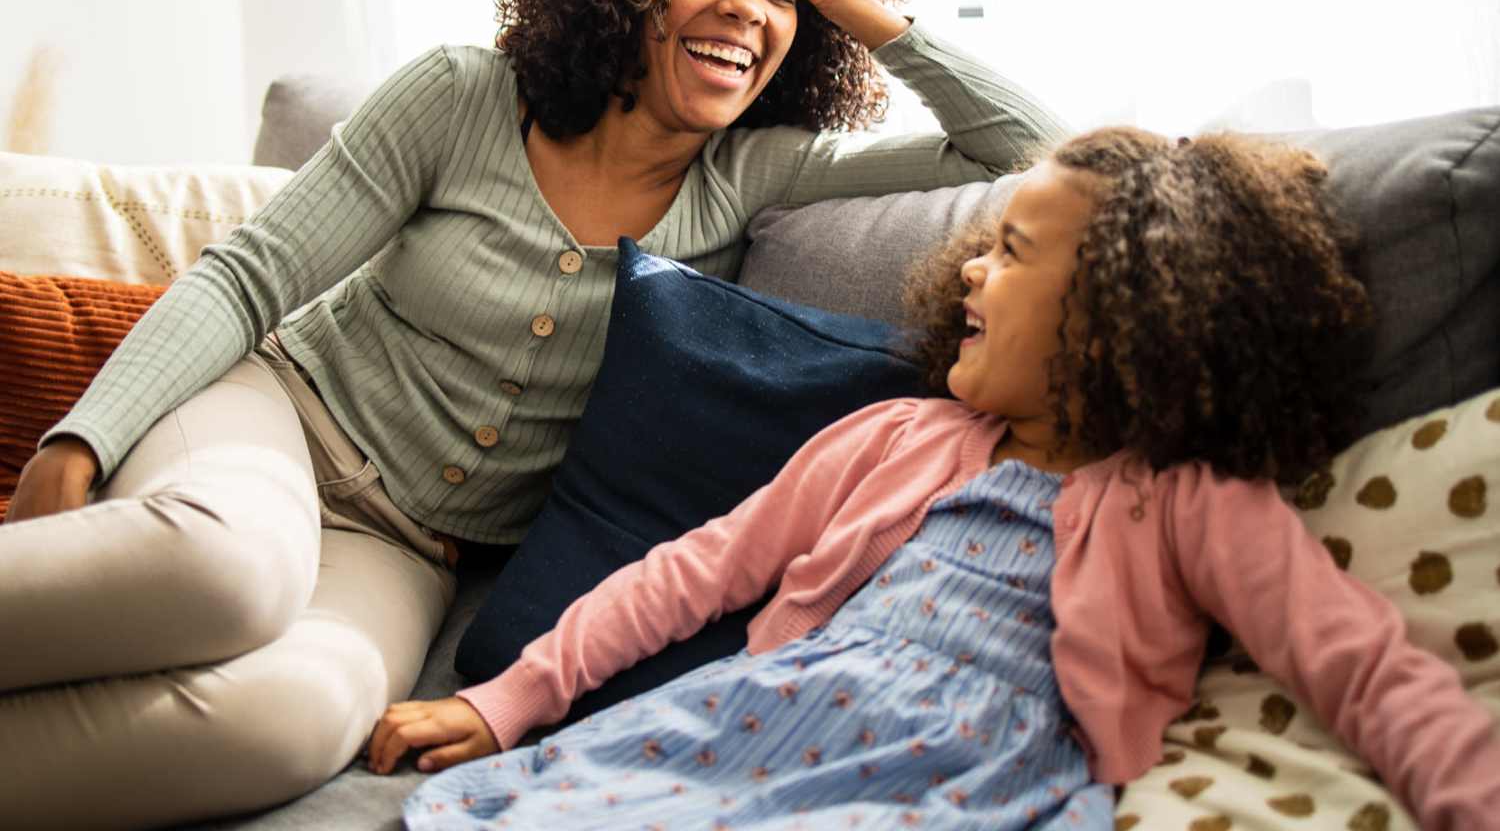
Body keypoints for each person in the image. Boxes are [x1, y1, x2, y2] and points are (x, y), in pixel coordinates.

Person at [0, 0, 1066, 830]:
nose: (747, 9)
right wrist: (84, 437)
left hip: (408, 548)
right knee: (228, 573)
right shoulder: (462, 97)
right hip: (280, 418)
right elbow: (250, 277)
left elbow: (1037, 150)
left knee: (300, 715)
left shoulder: (757, 174)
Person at [378, 128, 1500, 831]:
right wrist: (511, 696)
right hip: (772, 717)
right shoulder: (894, 437)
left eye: (1012, 253)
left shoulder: (1183, 499)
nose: (969, 265)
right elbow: (694, 573)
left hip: (987, 778)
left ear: (1123, 312)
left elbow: (1354, 659)